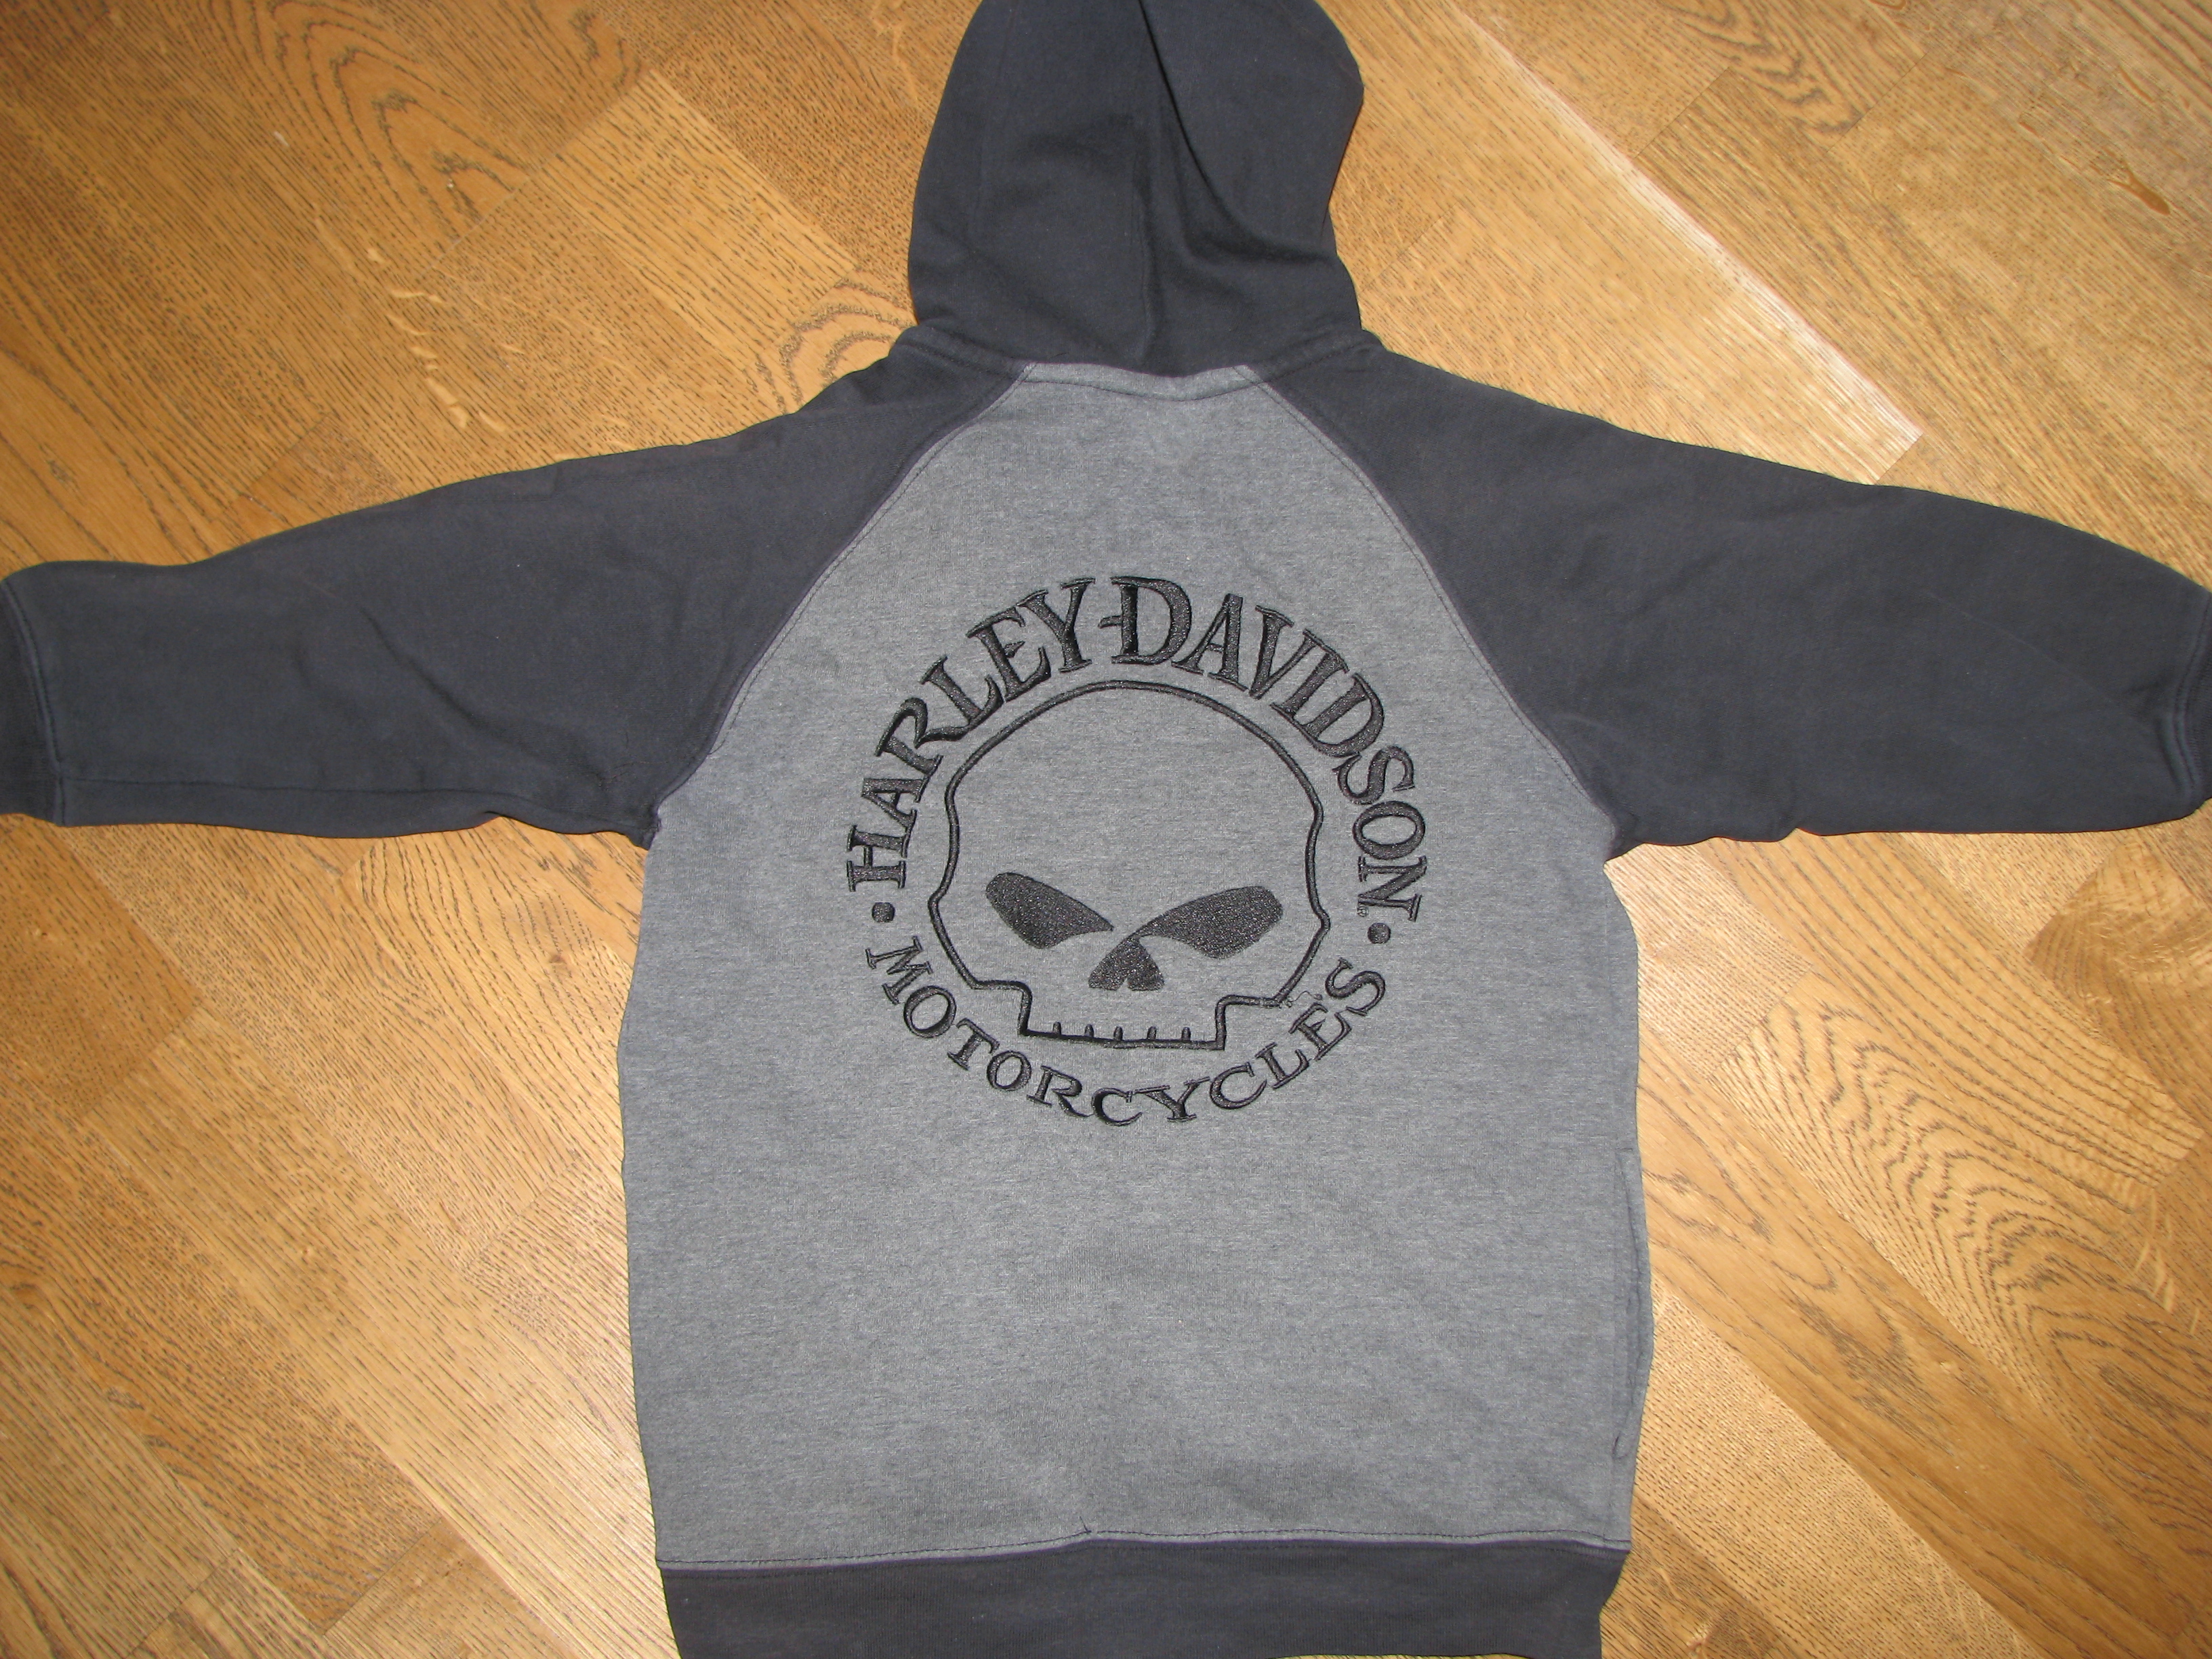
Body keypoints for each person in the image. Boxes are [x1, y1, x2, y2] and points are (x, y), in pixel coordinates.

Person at [3, 1, 2205, 1655]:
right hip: (1327, 1518)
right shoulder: (1513, 537)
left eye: (1205, 929)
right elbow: (355, 646)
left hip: (970, 1533)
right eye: (1053, 917)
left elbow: (373, 642)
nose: (1131, 977)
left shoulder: (786, 541)